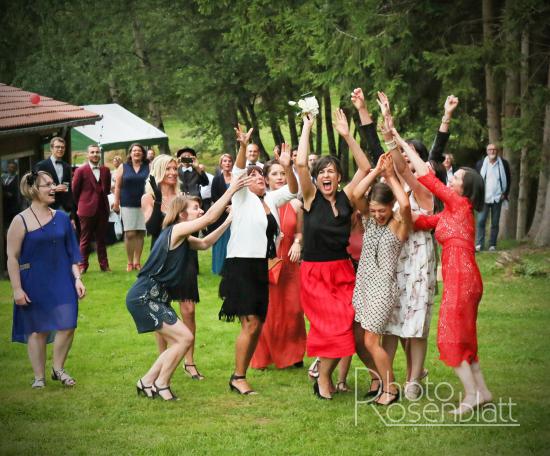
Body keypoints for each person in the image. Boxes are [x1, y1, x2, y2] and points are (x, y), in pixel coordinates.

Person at [352, 90, 456, 399]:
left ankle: (412, 380)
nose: (405, 163)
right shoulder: (389, 194)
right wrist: (367, 114)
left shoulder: (424, 190)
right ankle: (388, 379)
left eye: (411, 158)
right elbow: (382, 155)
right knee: (393, 321)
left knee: (416, 321)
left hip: (419, 258)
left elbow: (429, 154)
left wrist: (444, 118)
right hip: (393, 258)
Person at [394, 127, 492, 414]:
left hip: (462, 280)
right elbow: (421, 222)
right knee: (464, 337)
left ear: (465, 189)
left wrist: (398, 139)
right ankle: (482, 391)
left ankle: (471, 394)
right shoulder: (450, 213)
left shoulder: (460, 204)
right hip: (463, 279)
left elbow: (425, 174)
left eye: (457, 178)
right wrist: (396, 204)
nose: (452, 179)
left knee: (449, 336)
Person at [127, 178, 244, 401]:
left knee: (182, 339)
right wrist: (232, 190)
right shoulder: (177, 229)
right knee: (184, 338)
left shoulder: (181, 235)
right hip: (144, 296)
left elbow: (205, 243)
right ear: (182, 214)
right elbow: (209, 217)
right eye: (195, 208)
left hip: (154, 298)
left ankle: (147, 382)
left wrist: (230, 218)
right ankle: (161, 383)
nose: (200, 211)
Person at [295, 109, 371, 400]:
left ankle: (322, 376)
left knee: (347, 323)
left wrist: (348, 135)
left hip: (342, 271)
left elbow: (365, 168)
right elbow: (301, 163)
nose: (326, 175)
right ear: (316, 179)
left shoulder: (347, 196)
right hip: (315, 273)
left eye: (331, 171)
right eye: (321, 171)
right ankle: (324, 378)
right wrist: (307, 127)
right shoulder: (311, 197)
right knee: (334, 325)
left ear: (339, 178)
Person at [219, 127, 298, 395]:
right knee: (251, 323)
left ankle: (240, 374)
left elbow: (294, 190)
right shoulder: (241, 198)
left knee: (257, 324)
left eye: (260, 175)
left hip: (260, 267)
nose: (259, 179)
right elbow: (240, 170)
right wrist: (242, 146)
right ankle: (238, 376)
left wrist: (287, 167)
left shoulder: (271, 200)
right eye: (253, 176)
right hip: (241, 265)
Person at [7, 170, 85, 388]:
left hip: (62, 278)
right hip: (33, 281)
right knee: (37, 330)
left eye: (54, 184)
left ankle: (58, 368)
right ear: (33, 190)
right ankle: (39, 377)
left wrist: (77, 278)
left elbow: (72, 252)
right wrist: (16, 289)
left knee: (68, 324)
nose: (53, 188)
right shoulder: (19, 221)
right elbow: (11, 258)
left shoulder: (61, 217)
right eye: (47, 185)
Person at [352, 152, 411, 405]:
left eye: (382, 210)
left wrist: (390, 176)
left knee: (370, 340)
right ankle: (378, 379)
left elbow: (406, 205)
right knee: (358, 341)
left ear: (391, 207)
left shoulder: (399, 223)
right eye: (374, 210)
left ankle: (390, 389)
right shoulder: (370, 220)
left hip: (382, 289)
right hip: (363, 285)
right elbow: (356, 195)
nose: (377, 215)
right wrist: (375, 172)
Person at [141, 155, 206, 380]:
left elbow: (193, 230)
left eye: (174, 168)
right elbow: (151, 228)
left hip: (185, 257)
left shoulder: (182, 198)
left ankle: (189, 361)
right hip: (161, 261)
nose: (172, 172)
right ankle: (164, 358)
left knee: (188, 310)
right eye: (168, 168)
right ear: (158, 171)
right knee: (161, 310)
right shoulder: (148, 198)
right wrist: (158, 199)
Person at [250, 158, 306, 370]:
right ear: (266, 179)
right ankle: (264, 356)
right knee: (269, 310)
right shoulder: (258, 204)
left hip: (290, 262)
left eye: (283, 173)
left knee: (293, 310)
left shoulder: (296, 203)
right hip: (267, 262)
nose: (280, 177)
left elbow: (300, 231)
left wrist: (298, 243)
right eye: (275, 174)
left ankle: (294, 354)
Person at [72, 144, 111, 273]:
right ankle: (83, 265)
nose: (95, 154)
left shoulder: (106, 170)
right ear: (88, 155)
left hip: (102, 209)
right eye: (92, 152)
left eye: (97, 152)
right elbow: (74, 191)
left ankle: (104, 266)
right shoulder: (80, 171)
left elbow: (107, 189)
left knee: (101, 239)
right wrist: (82, 205)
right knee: (85, 239)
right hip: (86, 210)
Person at [113, 143, 149, 271]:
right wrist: (116, 203)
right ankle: (129, 262)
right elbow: (117, 186)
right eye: (134, 151)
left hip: (144, 204)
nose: (137, 153)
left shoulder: (148, 167)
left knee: (140, 232)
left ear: (143, 153)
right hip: (127, 203)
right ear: (130, 153)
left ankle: (137, 262)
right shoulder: (123, 167)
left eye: (139, 151)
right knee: (130, 233)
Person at [475, 144, 511, 252]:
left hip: (497, 197)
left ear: (498, 151)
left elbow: (508, 179)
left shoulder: (503, 163)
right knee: (481, 221)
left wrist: (505, 193)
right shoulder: (480, 164)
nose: (492, 151)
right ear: (487, 151)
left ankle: (492, 245)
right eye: (490, 149)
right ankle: (479, 244)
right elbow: (476, 180)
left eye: (494, 150)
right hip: (484, 197)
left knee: (495, 223)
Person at [34, 137, 73, 214]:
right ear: (51, 149)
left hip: (65, 208)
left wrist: (65, 188)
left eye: (62, 147)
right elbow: (33, 185)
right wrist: (53, 188)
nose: (60, 149)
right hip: (48, 207)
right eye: (57, 147)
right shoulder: (41, 165)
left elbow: (67, 187)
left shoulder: (67, 167)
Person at [210, 153, 233, 275]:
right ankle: (218, 268)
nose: (227, 163)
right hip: (220, 215)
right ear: (221, 164)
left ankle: (230, 269)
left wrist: (233, 207)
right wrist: (225, 207)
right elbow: (214, 196)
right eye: (225, 161)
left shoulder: (236, 178)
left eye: (229, 161)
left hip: (234, 214)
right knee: (220, 240)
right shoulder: (216, 179)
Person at [2, 160, 21, 227]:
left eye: (13, 167)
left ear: (15, 169)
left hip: (13, 205)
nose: (11, 169)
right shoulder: (3, 177)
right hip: (4, 205)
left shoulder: (17, 178)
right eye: (9, 167)